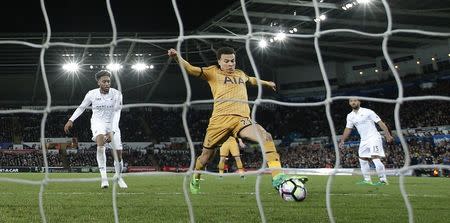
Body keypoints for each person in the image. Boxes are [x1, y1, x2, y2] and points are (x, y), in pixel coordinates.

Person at [168, 47, 307, 195]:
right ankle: (196, 177)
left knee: (266, 136)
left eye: (232, 61)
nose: (230, 64)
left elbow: (252, 80)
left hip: (241, 120)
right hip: (219, 122)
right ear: (219, 62)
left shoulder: (240, 74)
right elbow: (190, 69)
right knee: (206, 157)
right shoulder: (212, 72)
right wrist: (177, 57)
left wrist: (267, 83)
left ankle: (278, 177)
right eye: (226, 61)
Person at [64, 70, 127, 189]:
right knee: (100, 142)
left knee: (118, 155)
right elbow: (81, 107)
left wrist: (112, 130)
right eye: (104, 81)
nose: (107, 83)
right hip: (98, 122)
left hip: (113, 123)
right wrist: (71, 120)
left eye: (109, 81)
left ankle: (119, 177)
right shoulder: (91, 94)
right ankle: (104, 178)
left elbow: (118, 112)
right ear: (98, 82)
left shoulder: (117, 94)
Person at [339, 98, 394, 185]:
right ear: (349, 103)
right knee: (362, 159)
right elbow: (348, 128)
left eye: (355, 100)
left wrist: (388, 135)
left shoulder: (368, 112)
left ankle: (383, 180)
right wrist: (342, 140)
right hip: (364, 140)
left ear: (359, 102)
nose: (353, 102)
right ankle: (367, 180)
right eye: (351, 101)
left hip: (374, 137)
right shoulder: (350, 116)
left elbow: (380, 123)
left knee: (375, 158)